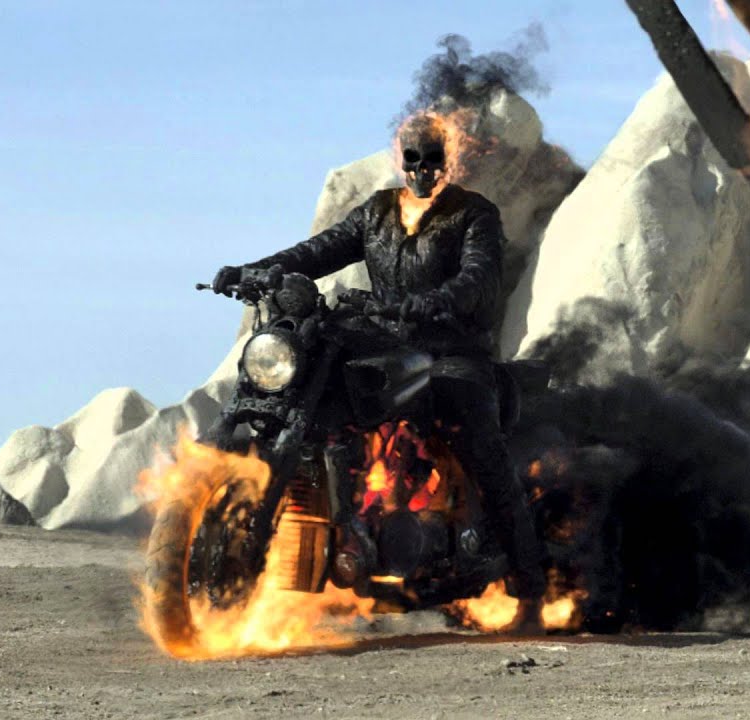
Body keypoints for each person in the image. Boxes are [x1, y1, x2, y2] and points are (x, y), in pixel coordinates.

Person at [210, 112, 546, 631]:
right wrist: (256, 269)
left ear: (450, 160)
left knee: (482, 447)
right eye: (413, 160)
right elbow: (318, 251)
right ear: (399, 159)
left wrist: (434, 302)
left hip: (452, 351)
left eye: (432, 160)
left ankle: (528, 592)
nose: (422, 170)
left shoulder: (474, 215)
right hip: (384, 341)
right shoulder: (376, 212)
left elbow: (478, 278)